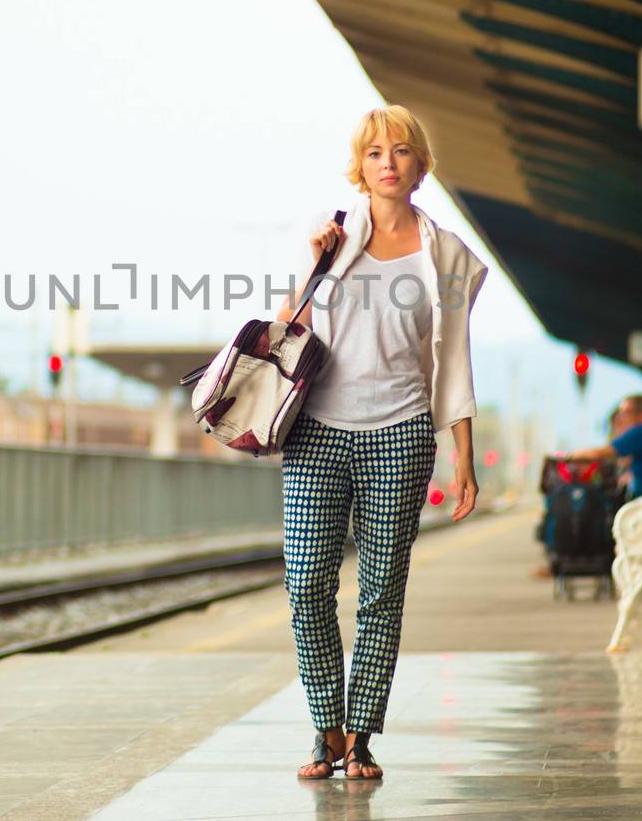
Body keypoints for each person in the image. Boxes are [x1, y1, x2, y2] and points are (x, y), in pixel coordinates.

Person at [274, 105, 488, 782]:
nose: (387, 162)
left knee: (380, 591)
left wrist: (464, 456)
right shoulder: (332, 238)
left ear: (420, 166)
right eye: (374, 153)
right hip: (316, 432)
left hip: (400, 434)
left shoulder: (446, 254)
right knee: (307, 583)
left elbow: (453, 359)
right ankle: (324, 724)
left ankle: (359, 737)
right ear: (359, 166)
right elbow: (286, 329)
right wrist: (313, 266)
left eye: (399, 151)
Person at [563, 395, 642, 499]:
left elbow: (602, 452)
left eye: (625, 412)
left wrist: (567, 455)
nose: (620, 417)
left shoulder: (641, 432)